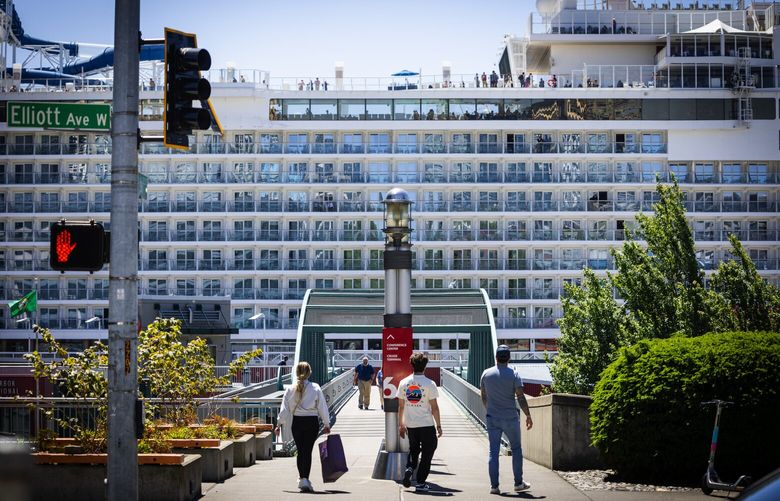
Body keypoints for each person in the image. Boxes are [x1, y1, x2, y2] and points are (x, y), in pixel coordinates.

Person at [480, 345, 533, 495]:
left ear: (496, 357)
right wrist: (528, 415)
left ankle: (494, 487)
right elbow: (520, 397)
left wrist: (489, 409)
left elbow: (483, 395)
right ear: (508, 358)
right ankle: (518, 483)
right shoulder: (514, 374)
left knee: (493, 452)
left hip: (492, 418)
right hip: (510, 418)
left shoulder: (486, 374)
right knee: (516, 450)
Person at [275, 362, 331, 492]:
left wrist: (278, 424)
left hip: (297, 423)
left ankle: (302, 478)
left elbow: (284, 410)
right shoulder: (315, 387)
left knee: (300, 451)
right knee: (307, 451)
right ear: (309, 373)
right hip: (312, 422)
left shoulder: (290, 389)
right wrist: (327, 423)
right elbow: (322, 407)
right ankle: (305, 478)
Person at [398, 353, 442, 492]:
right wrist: (439, 425)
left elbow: (401, 406)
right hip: (427, 424)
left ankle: (410, 468)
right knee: (429, 451)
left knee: (414, 449)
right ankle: (421, 482)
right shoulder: (430, 384)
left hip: (411, 424)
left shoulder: (404, 383)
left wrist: (401, 424)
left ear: (412, 365)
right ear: (425, 366)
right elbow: (434, 407)